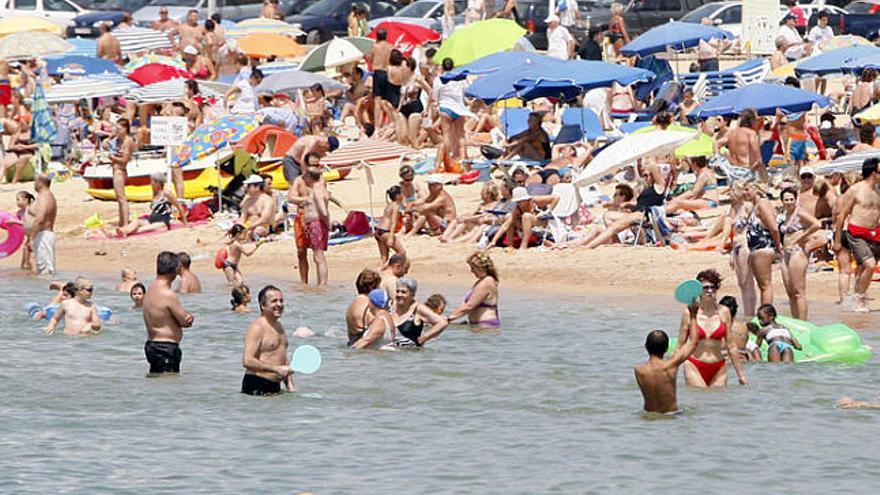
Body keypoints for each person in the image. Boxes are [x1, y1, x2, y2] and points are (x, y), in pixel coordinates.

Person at [676, 269, 748, 387]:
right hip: (694, 364)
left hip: (718, 366)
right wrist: (669, 371)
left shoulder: (724, 312)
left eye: (713, 287)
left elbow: (731, 345)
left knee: (718, 403)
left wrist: (741, 375)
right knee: (699, 402)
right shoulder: (689, 313)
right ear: (698, 290)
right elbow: (680, 345)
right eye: (706, 287)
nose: (710, 291)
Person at [834, 157, 880, 312]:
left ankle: (858, 297)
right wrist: (837, 240)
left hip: (875, 233)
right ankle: (859, 299)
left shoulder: (879, 190)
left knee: (864, 269)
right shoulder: (856, 189)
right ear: (873, 172)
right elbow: (841, 215)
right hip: (857, 232)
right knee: (870, 264)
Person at [635, 305, 699, 414]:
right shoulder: (671, 366)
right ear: (666, 348)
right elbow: (693, 342)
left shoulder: (639, 370)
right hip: (671, 415)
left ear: (646, 347)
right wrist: (693, 315)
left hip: (649, 416)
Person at [143, 251, 194, 374]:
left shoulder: (151, 289)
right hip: (165, 347)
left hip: (152, 344)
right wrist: (189, 318)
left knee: (157, 383)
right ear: (176, 269)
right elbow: (183, 321)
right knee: (169, 385)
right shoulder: (167, 294)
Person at [241, 285, 294, 395]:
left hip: (275, 386)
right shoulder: (257, 327)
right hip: (257, 384)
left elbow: (282, 359)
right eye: (274, 301)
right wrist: (276, 369)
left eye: (281, 301)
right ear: (263, 305)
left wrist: (290, 386)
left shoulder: (279, 326)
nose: (279, 304)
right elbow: (247, 360)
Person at [777, 187, 820, 319]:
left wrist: (802, 237)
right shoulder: (783, 215)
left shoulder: (799, 213)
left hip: (797, 252)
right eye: (786, 200)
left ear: (796, 199)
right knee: (790, 291)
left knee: (798, 291)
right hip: (786, 253)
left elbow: (817, 224)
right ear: (782, 201)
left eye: (791, 199)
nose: (789, 202)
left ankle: (803, 322)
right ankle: (795, 319)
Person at [288, 152, 331, 285]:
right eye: (312, 165)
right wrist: (306, 200)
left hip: (316, 217)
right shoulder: (299, 180)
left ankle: (321, 283)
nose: (315, 168)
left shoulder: (320, 181)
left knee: (317, 253)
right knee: (301, 251)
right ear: (305, 166)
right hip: (301, 217)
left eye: (317, 165)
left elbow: (323, 200)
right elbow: (291, 197)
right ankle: (303, 282)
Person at [106, 173, 187, 238]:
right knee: (136, 222)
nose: (150, 184)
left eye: (152, 182)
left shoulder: (167, 194)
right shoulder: (154, 194)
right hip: (151, 219)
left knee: (141, 230)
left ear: (158, 183)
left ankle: (118, 233)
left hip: (162, 222)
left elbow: (179, 206)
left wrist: (185, 223)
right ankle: (120, 231)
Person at [743, 182, 782, 307]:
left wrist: (778, 245)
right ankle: (764, 312)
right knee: (762, 285)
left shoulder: (763, 203)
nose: (745, 192)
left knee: (765, 284)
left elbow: (773, 227)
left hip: (763, 248)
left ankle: (766, 313)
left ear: (757, 190)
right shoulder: (755, 206)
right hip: (757, 249)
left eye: (747, 189)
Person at [391, 277, 449, 347]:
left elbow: (442, 323)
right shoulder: (390, 306)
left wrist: (425, 337)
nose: (399, 294)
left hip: (410, 354)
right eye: (397, 291)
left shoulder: (418, 309)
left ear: (412, 294)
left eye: (403, 292)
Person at [448, 252, 500, 327]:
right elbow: (465, 305)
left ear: (480, 267)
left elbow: (469, 306)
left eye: (473, 268)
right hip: (477, 325)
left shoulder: (487, 282)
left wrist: (448, 319)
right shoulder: (480, 282)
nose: (471, 271)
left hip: (486, 325)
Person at [718, 108, 764, 181]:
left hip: (733, 171)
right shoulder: (751, 134)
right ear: (753, 120)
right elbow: (758, 161)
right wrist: (753, 169)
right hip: (747, 171)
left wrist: (721, 161)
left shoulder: (731, 133)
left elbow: (717, 144)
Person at [25, 174, 56, 275]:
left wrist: (31, 238)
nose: (34, 184)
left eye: (34, 181)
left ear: (40, 183)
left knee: (45, 271)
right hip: (41, 236)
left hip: (43, 236)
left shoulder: (44, 197)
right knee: (41, 269)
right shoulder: (44, 196)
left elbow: (40, 218)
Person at [108, 118, 135, 227]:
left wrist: (113, 158)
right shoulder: (120, 140)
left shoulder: (127, 141)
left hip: (120, 170)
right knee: (119, 198)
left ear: (125, 129)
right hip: (117, 169)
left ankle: (124, 224)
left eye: (119, 129)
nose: (117, 131)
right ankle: (121, 221)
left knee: (122, 198)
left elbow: (125, 160)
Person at [346, 268, 382, 345]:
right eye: (378, 286)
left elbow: (350, 334)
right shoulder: (369, 305)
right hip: (364, 346)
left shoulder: (352, 305)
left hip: (352, 343)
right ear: (374, 287)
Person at [367, 28, 393, 126]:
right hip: (388, 73)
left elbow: (370, 59)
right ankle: (388, 123)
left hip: (378, 73)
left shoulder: (375, 46)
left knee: (377, 100)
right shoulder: (391, 47)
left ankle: (377, 126)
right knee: (386, 100)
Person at [375, 185, 406, 263]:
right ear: (398, 195)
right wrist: (391, 237)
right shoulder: (396, 206)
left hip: (378, 231)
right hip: (386, 232)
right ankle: (393, 271)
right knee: (401, 253)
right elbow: (393, 222)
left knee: (384, 258)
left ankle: (379, 273)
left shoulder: (389, 205)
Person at [238, 175, 274, 240]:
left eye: (249, 186)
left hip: (262, 226)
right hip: (248, 225)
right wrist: (238, 227)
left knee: (255, 231)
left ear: (257, 187)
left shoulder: (267, 200)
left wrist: (250, 227)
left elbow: (264, 220)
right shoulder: (247, 201)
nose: (246, 188)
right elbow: (242, 217)